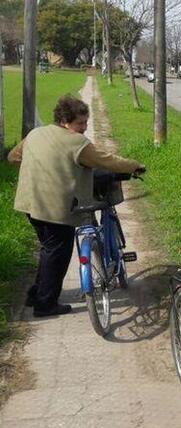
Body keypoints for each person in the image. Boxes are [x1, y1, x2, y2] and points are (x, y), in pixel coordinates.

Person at [8, 95, 145, 317]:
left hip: (29, 203)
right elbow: (107, 160)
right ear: (65, 121)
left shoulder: (35, 134)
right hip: (55, 208)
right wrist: (135, 166)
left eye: (86, 122)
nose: (84, 128)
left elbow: (13, 157)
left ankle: (36, 294)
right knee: (58, 254)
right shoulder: (77, 143)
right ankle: (45, 304)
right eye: (80, 123)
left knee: (48, 249)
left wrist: (43, 165)